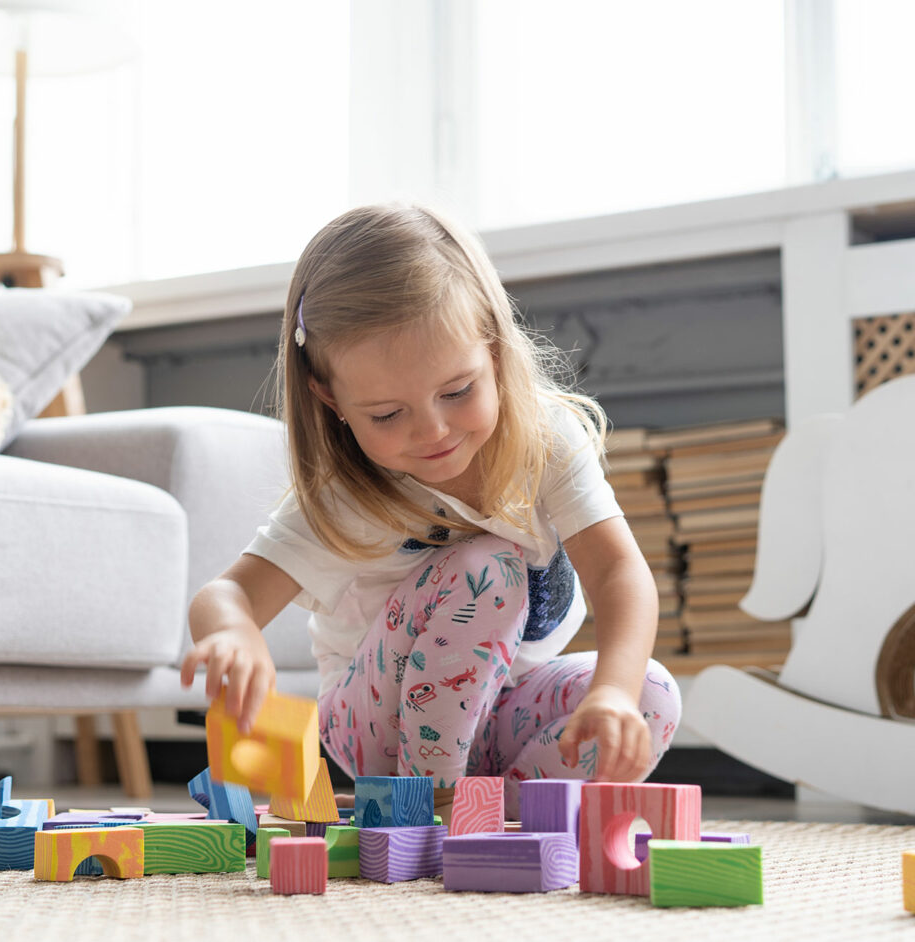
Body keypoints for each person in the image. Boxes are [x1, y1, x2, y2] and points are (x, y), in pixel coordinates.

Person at [180, 202, 681, 819]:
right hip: (375, 723)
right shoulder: (349, 494)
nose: (434, 430)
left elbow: (617, 572)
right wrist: (233, 634)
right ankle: (425, 807)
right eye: (387, 415)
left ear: (494, 352)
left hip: (496, 712)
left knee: (651, 692)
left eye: (458, 391)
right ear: (330, 399)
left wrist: (613, 693)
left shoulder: (546, 441)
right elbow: (225, 594)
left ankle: (494, 816)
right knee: (488, 567)